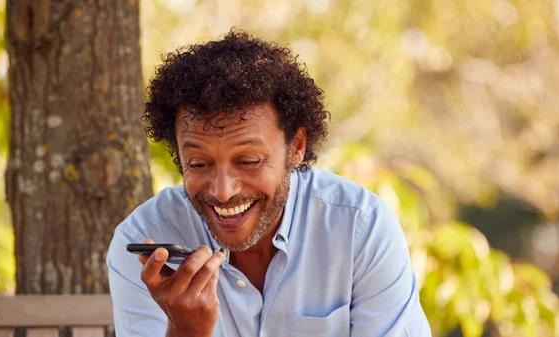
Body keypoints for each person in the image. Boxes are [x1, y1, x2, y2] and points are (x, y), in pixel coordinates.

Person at [107, 29, 432, 337]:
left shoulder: (360, 228)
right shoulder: (143, 246)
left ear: (297, 147)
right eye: (199, 163)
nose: (223, 190)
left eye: (248, 161)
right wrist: (185, 332)